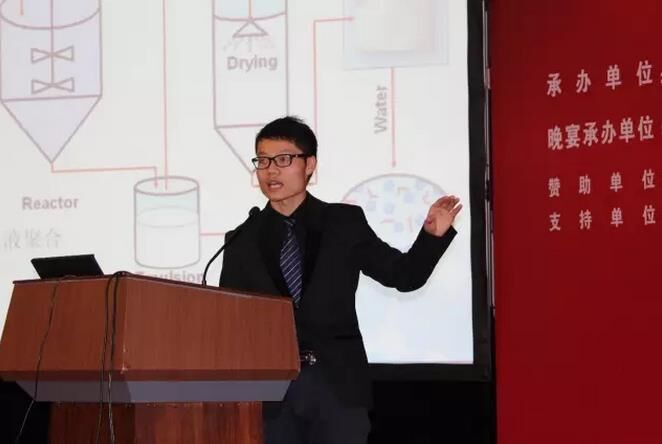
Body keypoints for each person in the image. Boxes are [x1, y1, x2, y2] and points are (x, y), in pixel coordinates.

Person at [218, 116, 461, 444]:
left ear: (310, 164)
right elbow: (229, 322)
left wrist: (432, 236)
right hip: (271, 398)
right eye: (263, 161)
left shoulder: (344, 222)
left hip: (337, 388)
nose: (271, 171)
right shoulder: (241, 239)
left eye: (283, 159)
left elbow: (403, 275)